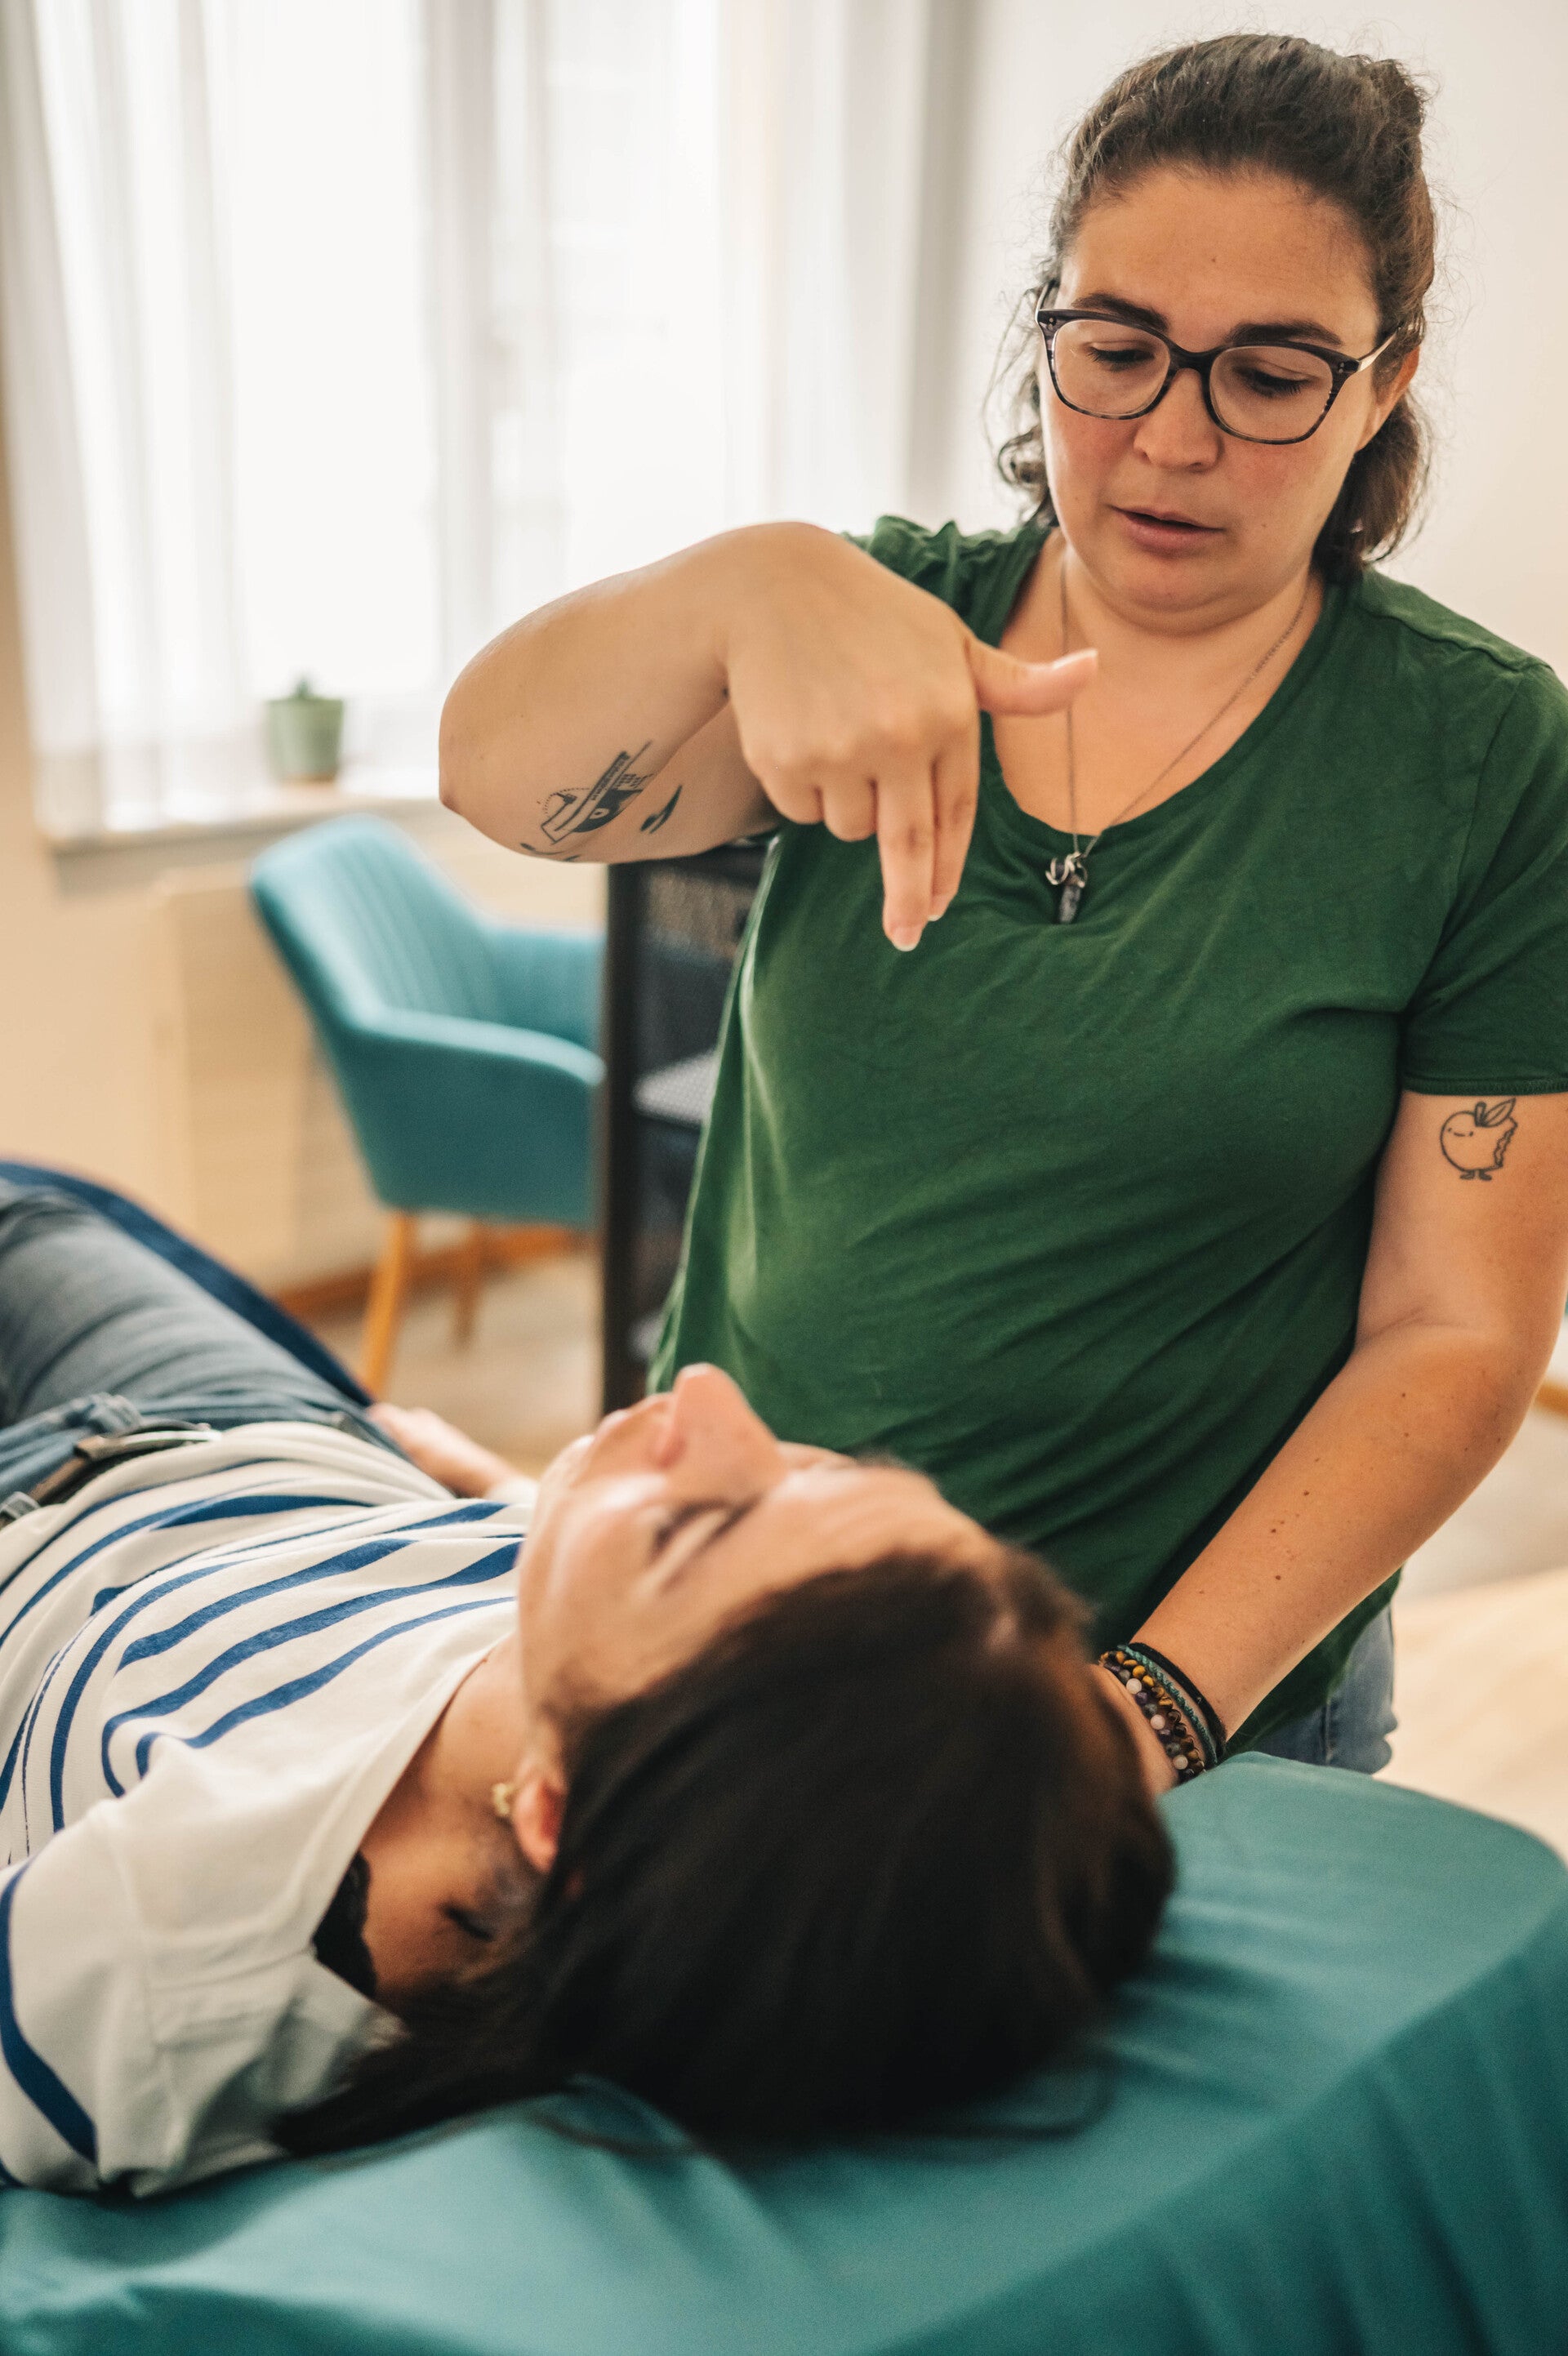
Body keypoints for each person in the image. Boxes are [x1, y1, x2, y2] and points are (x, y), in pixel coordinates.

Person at [439, 33, 1568, 1788]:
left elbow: (1458, 1332)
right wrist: (743, 580)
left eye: (1270, 376)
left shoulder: (1479, 756)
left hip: (1203, 1707)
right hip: (750, 1647)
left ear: (1382, 384)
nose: (1171, 439)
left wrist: (1146, 1711)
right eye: (1114, 351)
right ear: (1047, 332)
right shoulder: (876, 636)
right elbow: (492, 772)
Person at [0, 1180, 1169, 2194]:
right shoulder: (655, 1726)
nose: (706, 1395)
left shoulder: (182, 1954)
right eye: (823, 1470)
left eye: (687, 1531)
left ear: (555, 1814)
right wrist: (502, 1497)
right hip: (286, 1449)